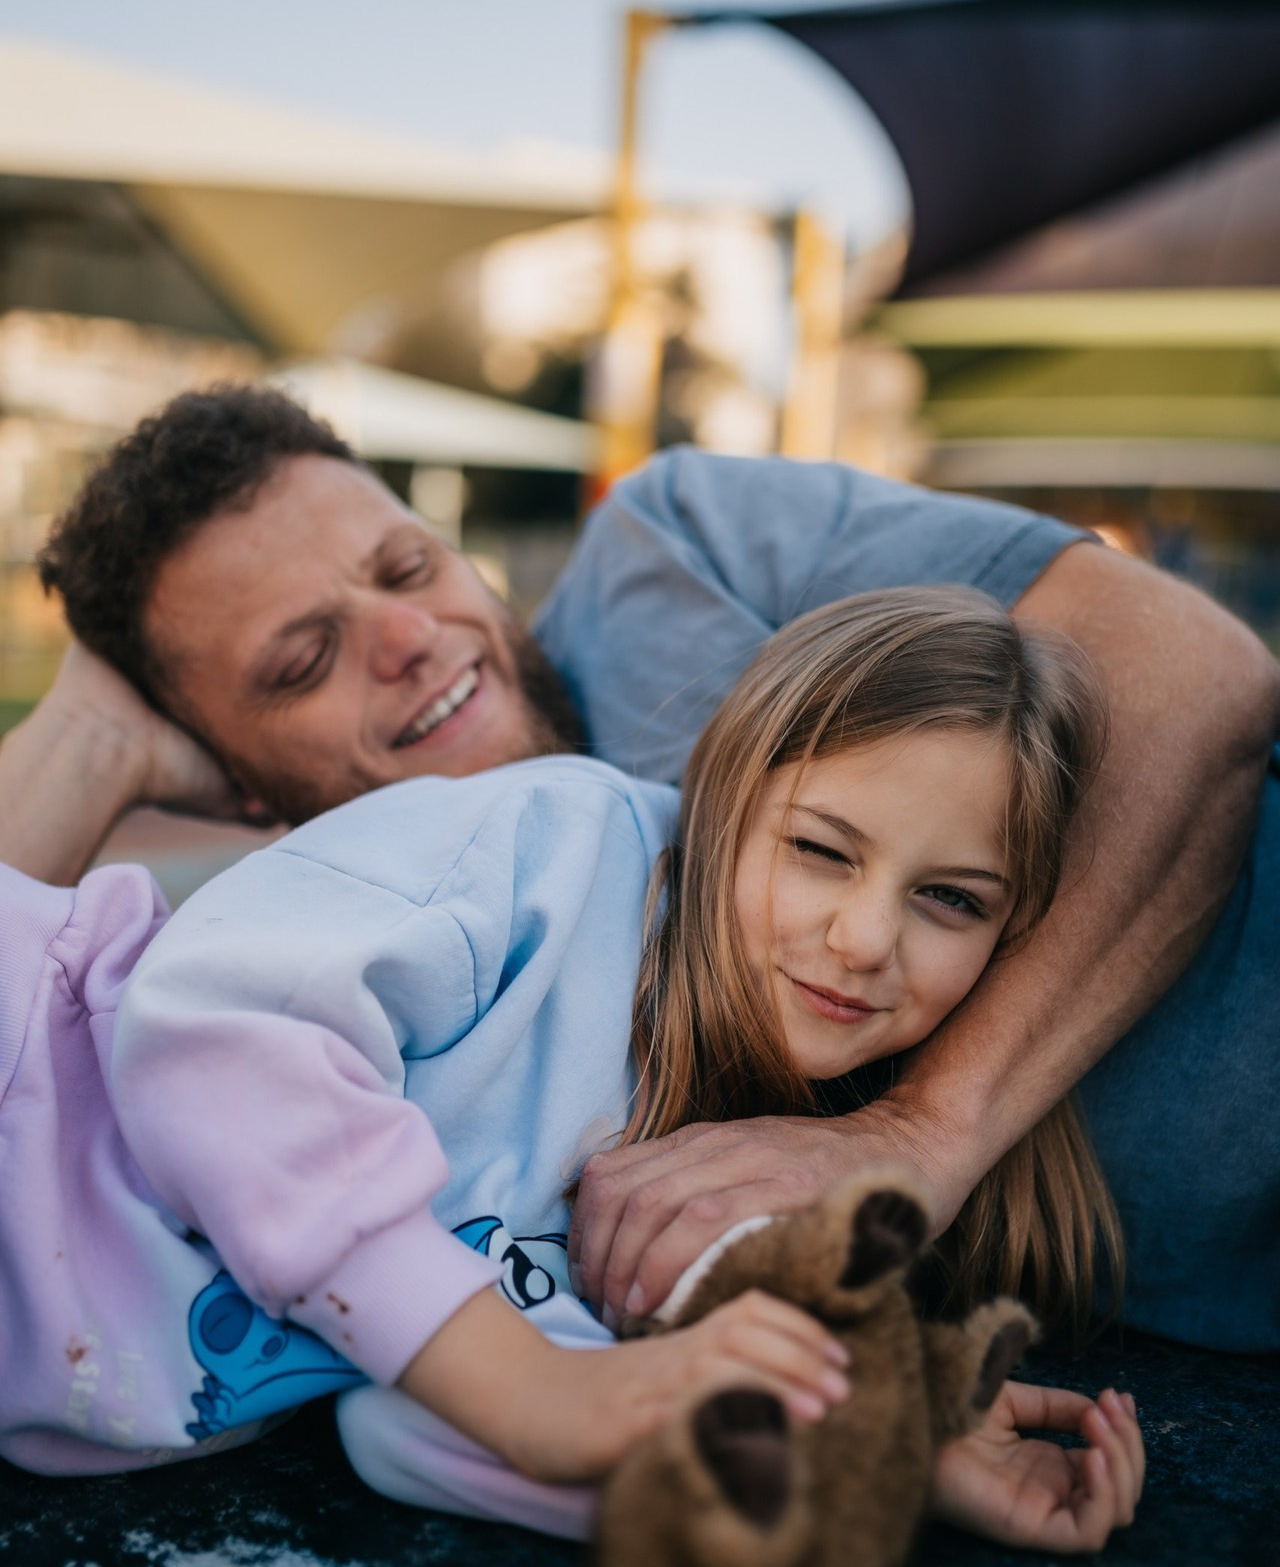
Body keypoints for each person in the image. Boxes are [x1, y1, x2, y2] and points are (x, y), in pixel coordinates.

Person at [8, 386, 1278, 1348]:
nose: (408, 636)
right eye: (302, 662)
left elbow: (1193, 672)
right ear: (240, 787)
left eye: (410, 568)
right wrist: (83, 745)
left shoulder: (667, 539)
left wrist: (919, 1134)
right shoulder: (359, 975)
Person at [96, 584, 1140, 1545]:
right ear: (724, 798)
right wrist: (533, 1393)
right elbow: (223, 1028)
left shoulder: (764, 1167)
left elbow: (428, 1413)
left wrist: (867, 1444)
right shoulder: (559, 848)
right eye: (820, 850)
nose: (866, 939)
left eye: (950, 899)